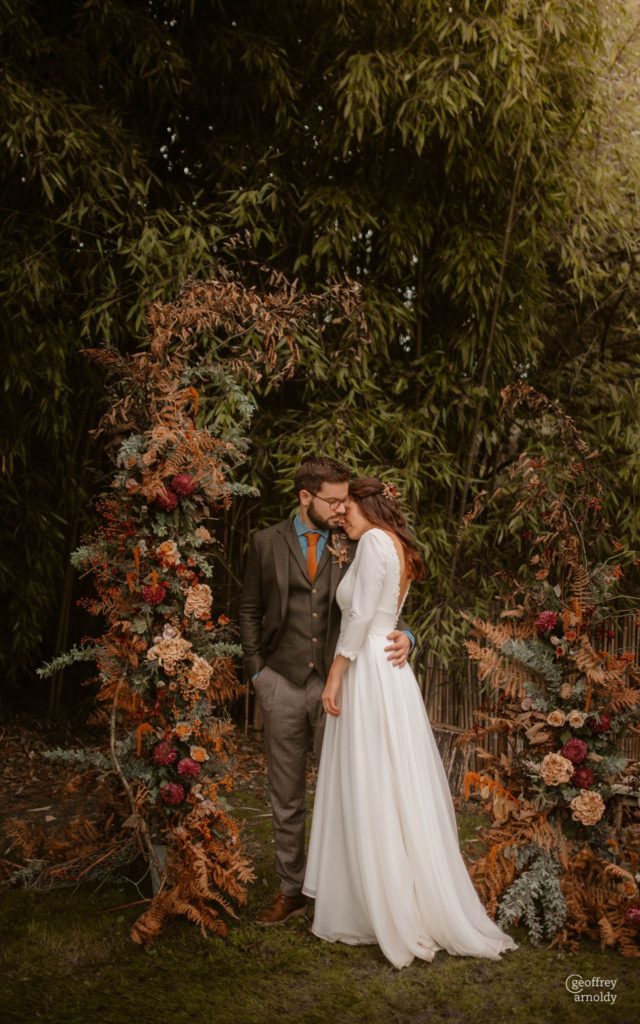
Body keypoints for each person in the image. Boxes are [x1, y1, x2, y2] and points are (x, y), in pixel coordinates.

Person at [303, 477, 518, 969]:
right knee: (388, 779)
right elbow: (383, 613)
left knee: (372, 779)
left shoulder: (374, 542)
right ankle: (372, 893)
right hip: (387, 671)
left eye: (348, 506)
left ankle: (379, 903)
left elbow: (361, 615)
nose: (342, 514)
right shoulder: (392, 544)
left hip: (368, 670)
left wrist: (336, 674)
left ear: (368, 506)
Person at [239, 458, 413, 926]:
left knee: (347, 788)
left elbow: (383, 599)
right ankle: (291, 889)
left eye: (344, 501)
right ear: (305, 497)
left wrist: (408, 636)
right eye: (333, 501)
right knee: (286, 794)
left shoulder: (357, 539)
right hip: (280, 681)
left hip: (342, 685)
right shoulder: (265, 542)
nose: (341, 509)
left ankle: (343, 891)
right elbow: (250, 609)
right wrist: (258, 673)